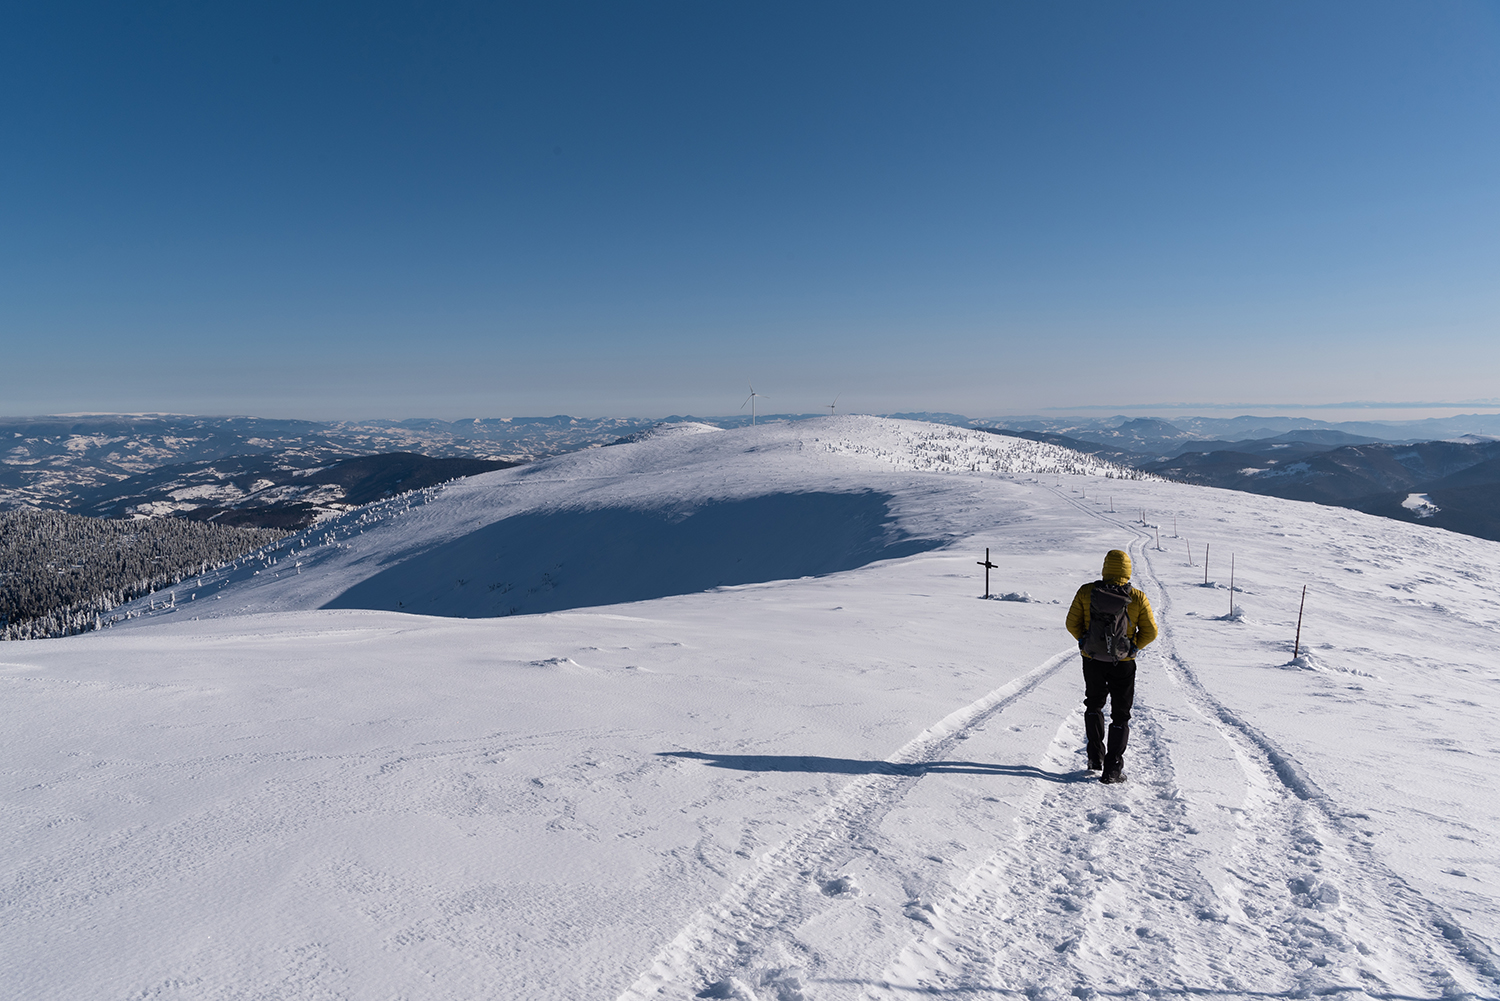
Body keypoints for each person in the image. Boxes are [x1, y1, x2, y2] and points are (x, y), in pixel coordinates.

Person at [1065, 549, 1158, 784]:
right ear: (1128, 570)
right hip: (1123, 663)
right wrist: (1133, 647)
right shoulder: (1137, 597)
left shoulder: (1087, 592)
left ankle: (1094, 758)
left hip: (1093, 659)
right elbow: (1151, 632)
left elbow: (1071, 623)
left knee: (1094, 704)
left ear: (1105, 567)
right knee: (1120, 714)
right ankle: (1113, 769)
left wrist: (1084, 641)